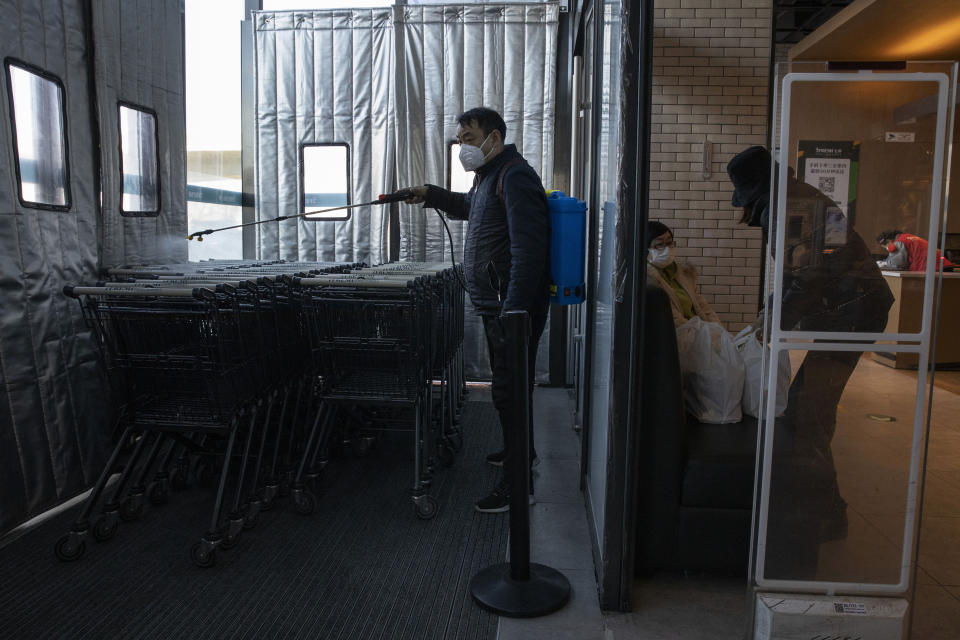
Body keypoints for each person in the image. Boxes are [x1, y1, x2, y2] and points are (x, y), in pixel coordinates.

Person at [727, 146, 894, 578]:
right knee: (809, 413)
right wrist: (772, 310)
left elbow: (808, 272)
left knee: (808, 416)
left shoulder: (795, 205)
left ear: (757, 193)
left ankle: (824, 516)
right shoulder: (794, 198)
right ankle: (830, 510)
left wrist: (775, 316)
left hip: (853, 314)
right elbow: (797, 272)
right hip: (851, 312)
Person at [403, 107, 550, 514]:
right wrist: (431, 193)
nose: (463, 147)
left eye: (469, 138)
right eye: (461, 140)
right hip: (500, 304)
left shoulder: (515, 176)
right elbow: (470, 206)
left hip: (511, 308)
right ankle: (521, 454)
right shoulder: (490, 177)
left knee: (509, 391)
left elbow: (529, 249)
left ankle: (517, 485)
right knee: (509, 390)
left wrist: (515, 311)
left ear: (495, 138)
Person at [646, 220, 719, 327]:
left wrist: (717, 328)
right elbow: (672, 318)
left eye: (669, 243)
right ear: (646, 248)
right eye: (659, 244)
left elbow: (702, 306)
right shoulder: (647, 280)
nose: (667, 249)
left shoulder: (683, 273)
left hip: (700, 333)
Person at [876, 229, 953, 271]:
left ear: (888, 241)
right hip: (945, 266)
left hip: (932, 270)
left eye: (885, 246)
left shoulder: (898, 243)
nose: (887, 249)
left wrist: (884, 264)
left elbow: (899, 264)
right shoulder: (908, 237)